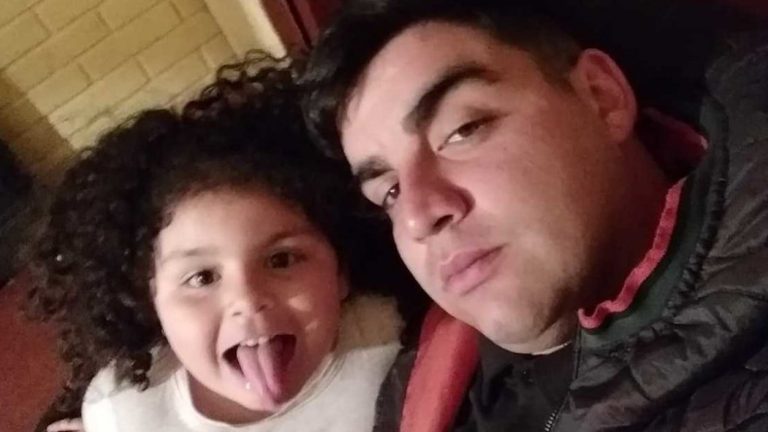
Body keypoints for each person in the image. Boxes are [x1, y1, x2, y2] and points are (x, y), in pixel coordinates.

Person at [301, 0, 768, 430]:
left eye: (463, 129)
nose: (417, 217)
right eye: (389, 191)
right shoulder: (420, 381)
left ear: (602, 97)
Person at [28, 57, 418, 432]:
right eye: (202, 277)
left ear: (340, 271)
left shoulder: (395, 338)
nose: (247, 299)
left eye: (282, 260)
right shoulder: (124, 410)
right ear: (150, 301)